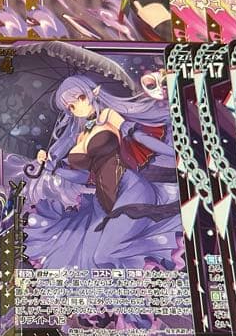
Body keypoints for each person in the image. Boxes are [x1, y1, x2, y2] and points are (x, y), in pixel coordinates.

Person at [25, 74, 181, 269]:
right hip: (103, 202)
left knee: (103, 254)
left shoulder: (108, 116)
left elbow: (140, 137)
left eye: (80, 98)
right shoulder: (80, 136)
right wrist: (53, 168)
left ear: (94, 92)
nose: (76, 107)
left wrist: (178, 154)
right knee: (88, 258)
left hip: (130, 190)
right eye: (70, 106)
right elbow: (85, 177)